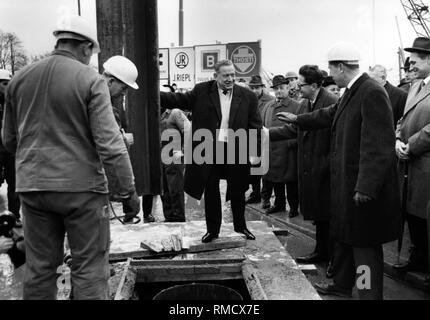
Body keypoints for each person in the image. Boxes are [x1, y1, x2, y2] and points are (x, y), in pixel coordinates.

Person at [1, 15, 140, 300]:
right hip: (82, 193)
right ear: (87, 48)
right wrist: (127, 192)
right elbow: (110, 145)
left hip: (33, 189)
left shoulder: (19, 79)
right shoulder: (89, 80)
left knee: (39, 269)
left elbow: (9, 141)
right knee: (89, 268)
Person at [277, 42, 401, 300]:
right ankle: (342, 285)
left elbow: (379, 146)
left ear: (342, 67)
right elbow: (328, 114)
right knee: (343, 238)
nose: (329, 75)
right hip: (347, 185)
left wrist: (366, 187)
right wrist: (298, 119)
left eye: (332, 69)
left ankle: (367, 293)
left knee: (363, 246)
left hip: (360, 189)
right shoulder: (352, 91)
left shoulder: (371, 92)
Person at [160, 59, 262, 243]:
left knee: (238, 189)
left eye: (232, 75)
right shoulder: (201, 91)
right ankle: (212, 230)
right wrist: (151, 92)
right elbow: (178, 100)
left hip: (236, 147)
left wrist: (254, 153)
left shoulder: (248, 96)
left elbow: (255, 126)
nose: (230, 79)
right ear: (215, 76)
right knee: (211, 189)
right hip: (209, 148)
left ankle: (241, 226)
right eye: (225, 75)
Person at [270, 65, 339, 277]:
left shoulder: (332, 102)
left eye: (302, 84)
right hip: (311, 166)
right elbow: (294, 128)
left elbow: (337, 137)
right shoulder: (306, 103)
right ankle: (321, 251)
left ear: (315, 85)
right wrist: (267, 133)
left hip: (325, 167)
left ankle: (334, 260)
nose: (298, 87)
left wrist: (328, 162)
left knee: (330, 215)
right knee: (319, 215)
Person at [101, 56, 155, 223]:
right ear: (110, 82)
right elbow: (113, 151)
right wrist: (128, 193)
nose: (123, 94)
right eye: (123, 88)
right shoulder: (102, 108)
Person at [394, 37, 430, 275]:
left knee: (426, 216)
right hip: (410, 163)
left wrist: (411, 145)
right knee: (413, 215)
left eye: (415, 61)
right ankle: (419, 259)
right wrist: (397, 139)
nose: (411, 66)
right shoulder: (415, 86)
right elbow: (402, 119)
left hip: (424, 162)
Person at [261, 75, 300, 217]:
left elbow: (300, 130)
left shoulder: (296, 106)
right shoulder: (268, 106)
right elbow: (263, 127)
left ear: (288, 88)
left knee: (291, 182)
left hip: (289, 152)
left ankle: (294, 207)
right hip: (272, 150)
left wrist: (291, 144)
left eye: (281, 88)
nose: (279, 91)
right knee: (275, 179)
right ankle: (279, 204)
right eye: (276, 88)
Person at [246, 75, 274, 205]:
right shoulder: (246, 99)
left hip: (264, 137)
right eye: (252, 88)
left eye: (257, 88)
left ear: (262, 87)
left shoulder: (270, 100)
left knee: (265, 168)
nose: (254, 91)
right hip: (251, 137)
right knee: (254, 167)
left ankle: (266, 196)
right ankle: (255, 193)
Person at [160, 107, 190, 222]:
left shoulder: (175, 113)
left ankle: (178, 219)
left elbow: (189, 130)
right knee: (164, 191)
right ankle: (169, 218)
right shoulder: (156, 116)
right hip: (163, 157)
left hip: (175, 157)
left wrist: (184, 152)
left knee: (175, 190)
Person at [0, 69, 21, 226]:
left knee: (14, 185)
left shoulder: (14, 102)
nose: (8, 87)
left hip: (11, 150)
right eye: (5, 84)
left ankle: (14, 217)